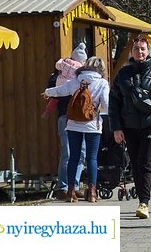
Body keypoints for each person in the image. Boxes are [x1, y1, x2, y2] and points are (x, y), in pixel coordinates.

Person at [108, 35, 151, 219]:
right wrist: (116, 127)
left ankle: (144, 203)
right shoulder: (123, 74)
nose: (140, 52)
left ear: (148, 51)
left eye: (143, 49)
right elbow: (114, 102)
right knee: (134, 163)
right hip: (130, 125)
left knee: (145, 161)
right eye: (136, 49)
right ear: (132, 51)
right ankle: (141, 201)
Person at [44, 56, 110, 203]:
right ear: (101, 69)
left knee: (73, 157)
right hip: (93, 125)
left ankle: (70, 191)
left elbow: (61, 91)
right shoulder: (102, 83)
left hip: (73, 124)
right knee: (92, 158)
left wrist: (47, 92)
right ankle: (92, 192)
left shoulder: (76, 80)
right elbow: (106, 104)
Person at [45, 44, 86, 200]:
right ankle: (63, 187)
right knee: (68, 152)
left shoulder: (83, 74)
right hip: (65, 115)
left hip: (81, 116)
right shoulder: (59, 73)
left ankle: (74, 186)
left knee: (80, 152)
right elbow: (52, 87)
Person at [43, 43, 86, 118]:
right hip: (70, 92)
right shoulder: (80, 68)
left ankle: (47, 111)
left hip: (59, 85)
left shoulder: (64, 62)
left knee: (54, 99)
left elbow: (57, 66)